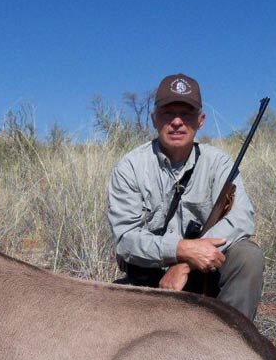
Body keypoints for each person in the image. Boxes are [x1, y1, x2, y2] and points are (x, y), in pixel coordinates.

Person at [107, 73, 264, 320]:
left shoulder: (219, 163)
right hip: (151, 278)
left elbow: (243, 218)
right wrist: (179, 249)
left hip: (204, 273)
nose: (177, 122)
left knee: (248, 256)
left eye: (187, 114)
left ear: (201, 120)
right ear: (154, 119)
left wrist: (187, 262)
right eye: (168, 113)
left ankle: (231, 341)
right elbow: (126, 240)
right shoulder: (130, 168)